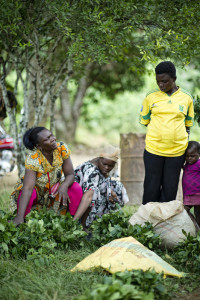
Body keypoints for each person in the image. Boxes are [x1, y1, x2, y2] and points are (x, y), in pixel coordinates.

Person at [140, 61, 194, 204]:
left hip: (176, 152)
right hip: (153, 150)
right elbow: (145, 121)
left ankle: (165, 222)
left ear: (174, 79)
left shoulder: (187, 98)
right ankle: (148, 223)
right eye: (158, 82)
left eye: (165, 81)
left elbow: (188, 125)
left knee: (170, 190)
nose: (161, 85)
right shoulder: (151, 97)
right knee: (151, 188)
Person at [10, 127, 83, 225]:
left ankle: (75, 222)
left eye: (51, 135)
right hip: (36, 191)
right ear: (39, 146)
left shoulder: (61, 148)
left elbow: (70, 174)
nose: (52, 139)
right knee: (29, 193)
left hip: (53, 189)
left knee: (75, 188)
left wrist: (64, 186)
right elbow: (28, 188)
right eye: (47, 139)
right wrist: (19, 217)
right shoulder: (33, 158)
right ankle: (24, 221)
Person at [73, 146, 129, 230]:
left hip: (88, 193)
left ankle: (107, 221)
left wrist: (110, 192)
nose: (106, 168)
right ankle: (84, 224)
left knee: (118, 186)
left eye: (110, 166)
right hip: (78, 197)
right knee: (94, 192)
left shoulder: (100, 163)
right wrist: (74, 222)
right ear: (99, 158)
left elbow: (106, 179)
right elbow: (88, 197)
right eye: (104, 164)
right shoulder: (93, 172)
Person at [182, 141, 200, 226]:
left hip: (197, 194)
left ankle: (198, 231)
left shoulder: (199, 163)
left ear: (199, 154)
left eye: (192, 156)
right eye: (187, 156)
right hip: (188, 194)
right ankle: (193, 226)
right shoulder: (186, 165)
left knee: (198, 213)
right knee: (184, 212)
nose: (189, 158)